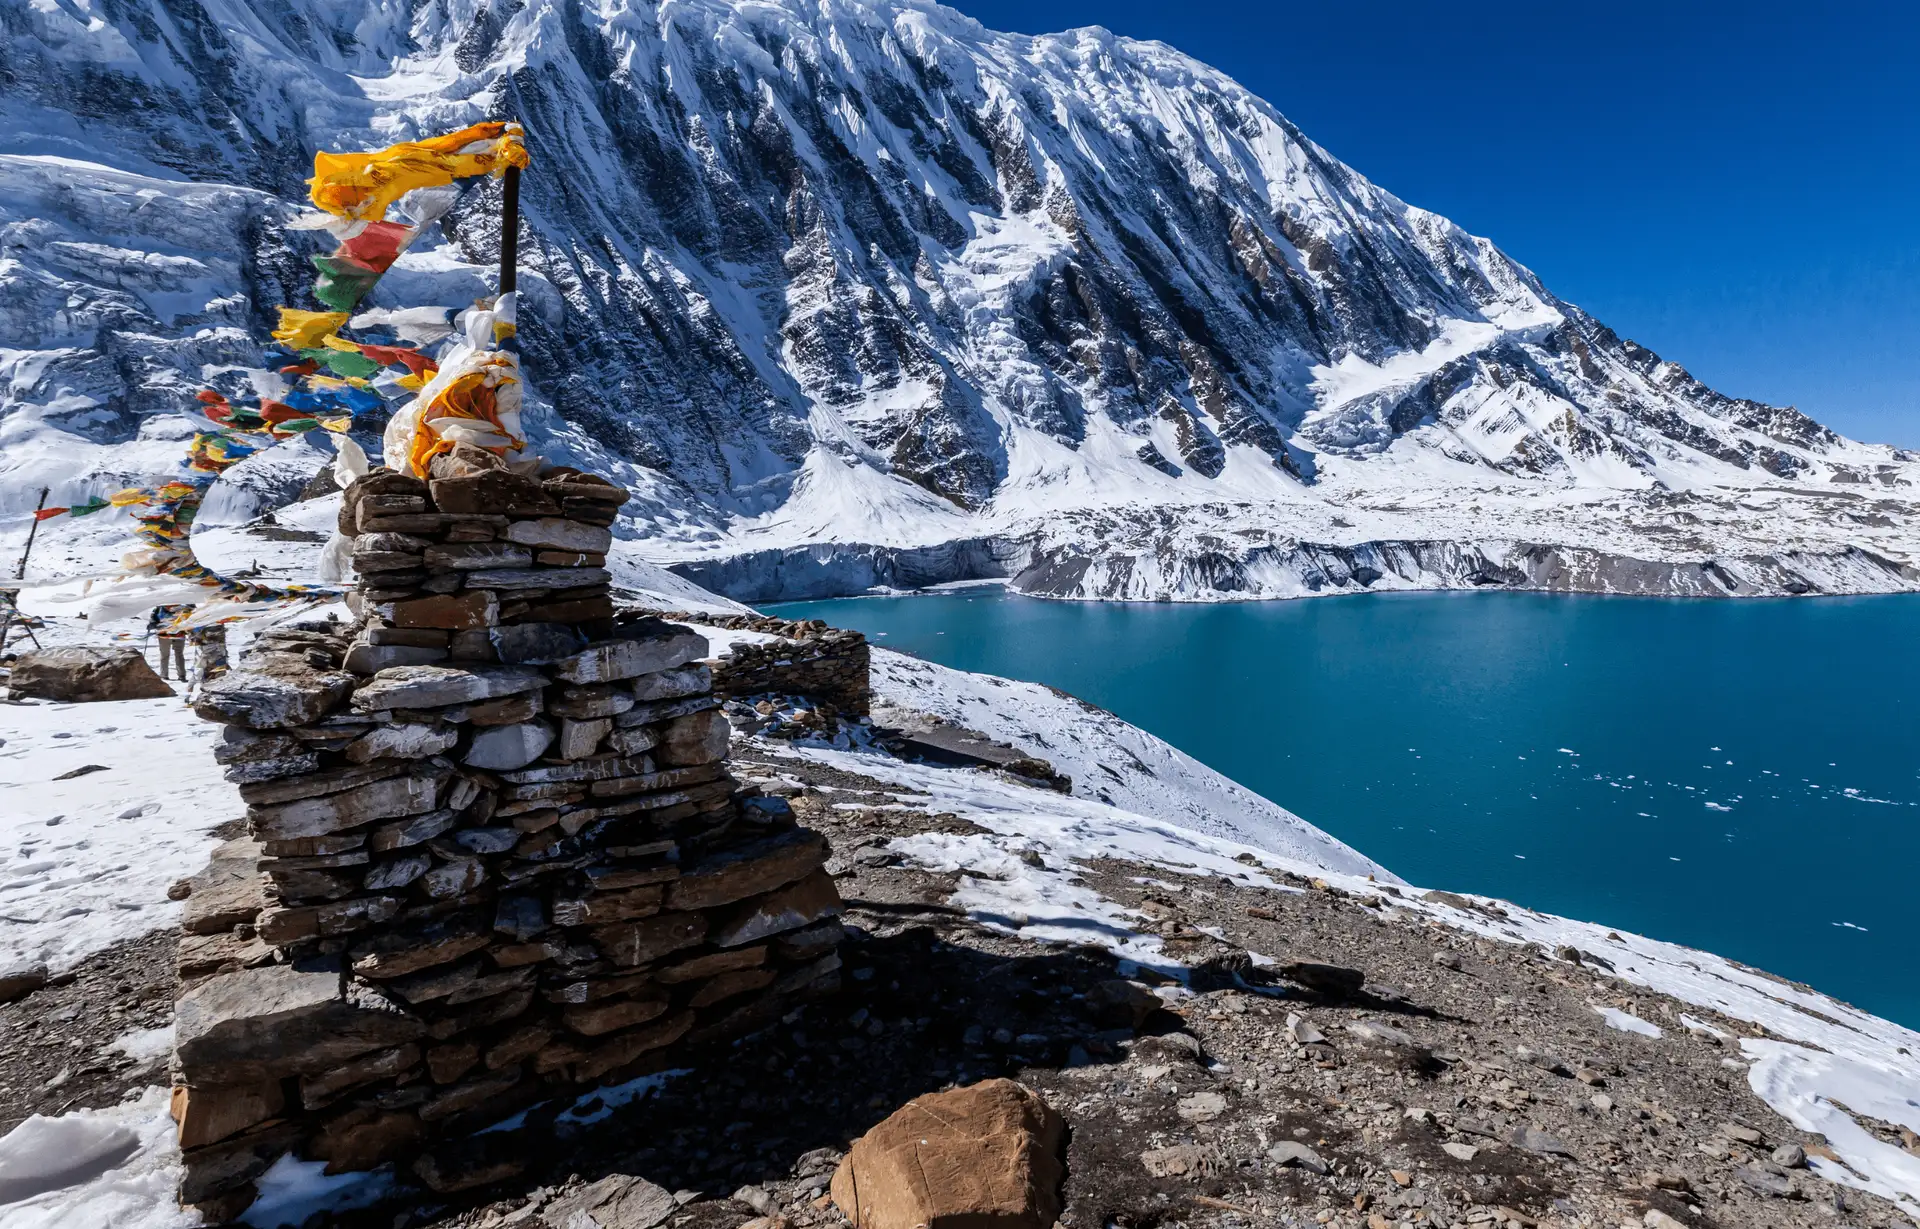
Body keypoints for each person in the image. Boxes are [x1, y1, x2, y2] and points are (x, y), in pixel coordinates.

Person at [148, 605, 189, 680]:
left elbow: (153, 621)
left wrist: (152, 624)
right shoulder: (181, 607)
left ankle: (165, 675)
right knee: (178, 655)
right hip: (177, 635)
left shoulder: (158, 609)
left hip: (166, 635)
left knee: (166, 655)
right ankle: (181, 675)